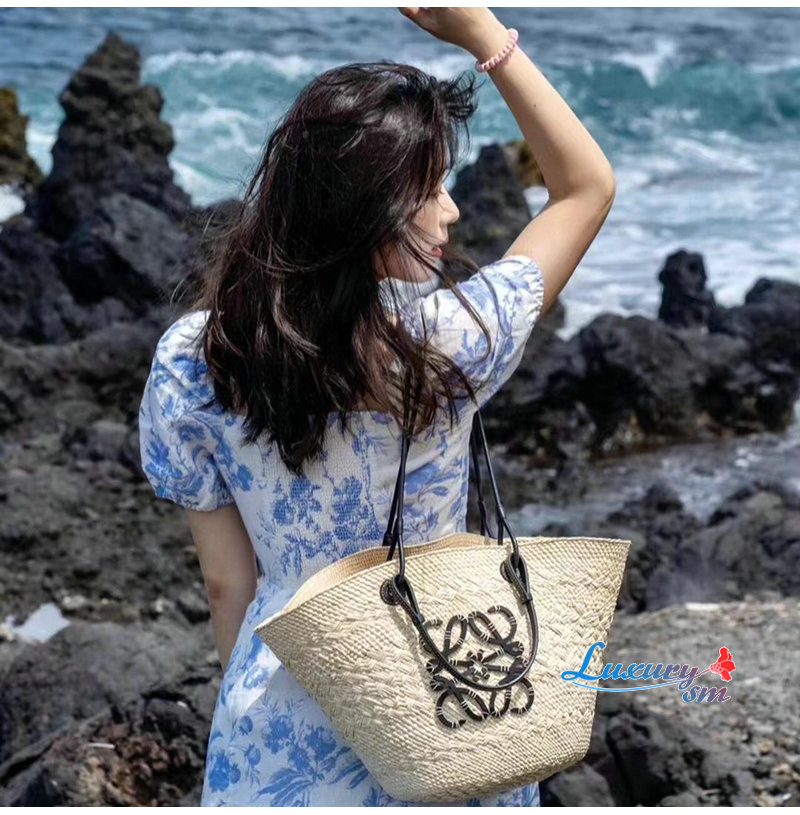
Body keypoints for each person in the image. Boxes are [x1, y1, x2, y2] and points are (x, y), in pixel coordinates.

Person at [138, 7, 615, 807]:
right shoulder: (451, 342)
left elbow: (225, 585)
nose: (451, 211)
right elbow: (586, 187)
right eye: (430, 188)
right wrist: (485, 38)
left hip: (277, 727)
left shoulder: (196, 357)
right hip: (446, 710)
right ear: (372, 213)